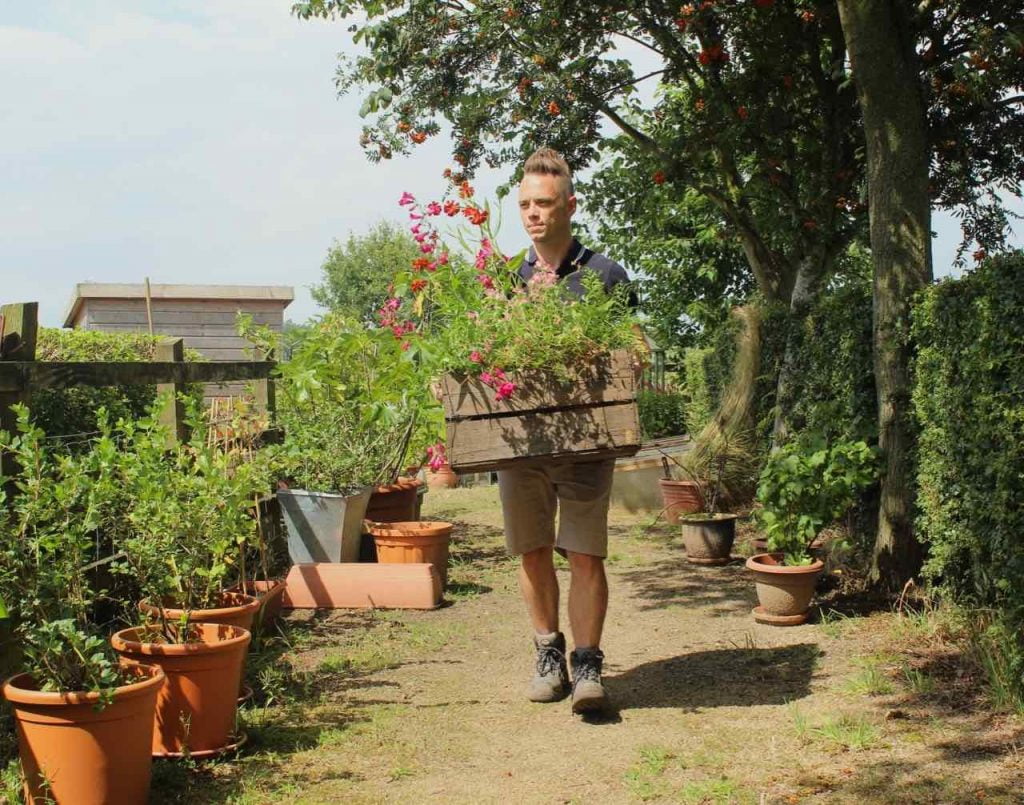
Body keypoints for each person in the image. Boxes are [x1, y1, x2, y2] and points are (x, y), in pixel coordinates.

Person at [498, 147, 634, 715]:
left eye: (544, 203)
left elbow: (626, 352)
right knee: (532, 551)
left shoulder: (604, 275)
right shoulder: (504, 279)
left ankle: (588, 665)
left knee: (583, 553)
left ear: (570, 205)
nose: (533, 213)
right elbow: (483, 355)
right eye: (526, 204)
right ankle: (547, 656)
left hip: (585, 441)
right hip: (519, 442)